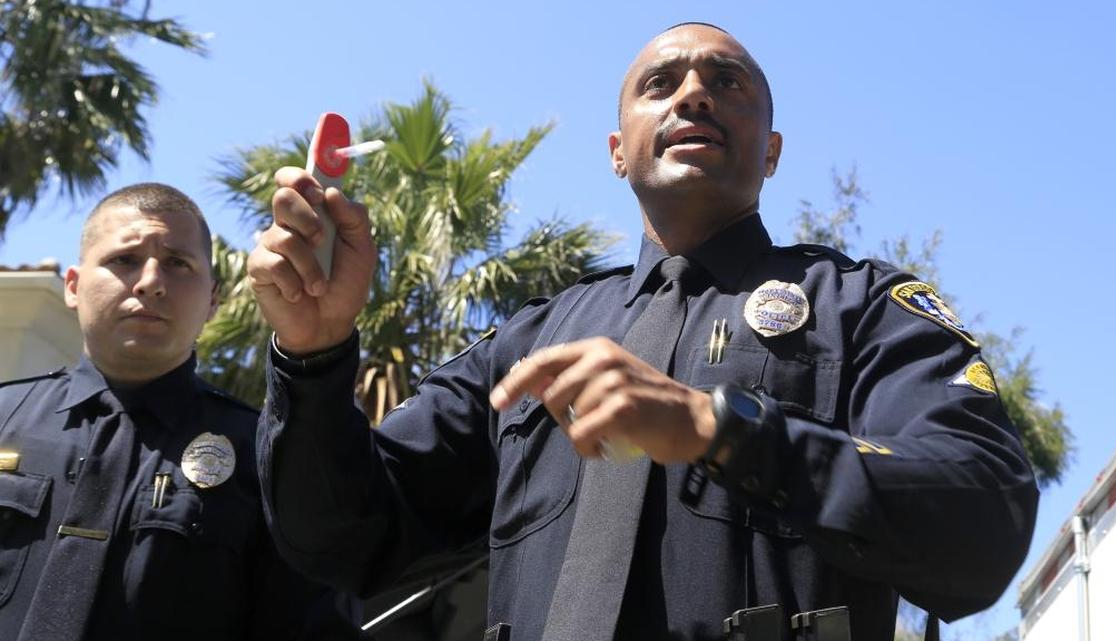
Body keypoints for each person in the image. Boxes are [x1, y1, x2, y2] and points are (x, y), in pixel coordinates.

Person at [248, 23, 1039, 641]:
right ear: (618, 151)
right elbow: (343, 540)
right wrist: (313, 359)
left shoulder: (863, 306)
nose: (694, 93)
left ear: (771, 152)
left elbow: (983, 516)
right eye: (660, 83)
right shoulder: (525, 345)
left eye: (726, 82)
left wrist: (719, 429)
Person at [0, 183, 364, 641]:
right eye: (124, 260)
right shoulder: (4, 417)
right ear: (73, 286)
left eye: (177, 263)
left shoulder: (268, 459)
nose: (151, 281)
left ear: (213, 300)